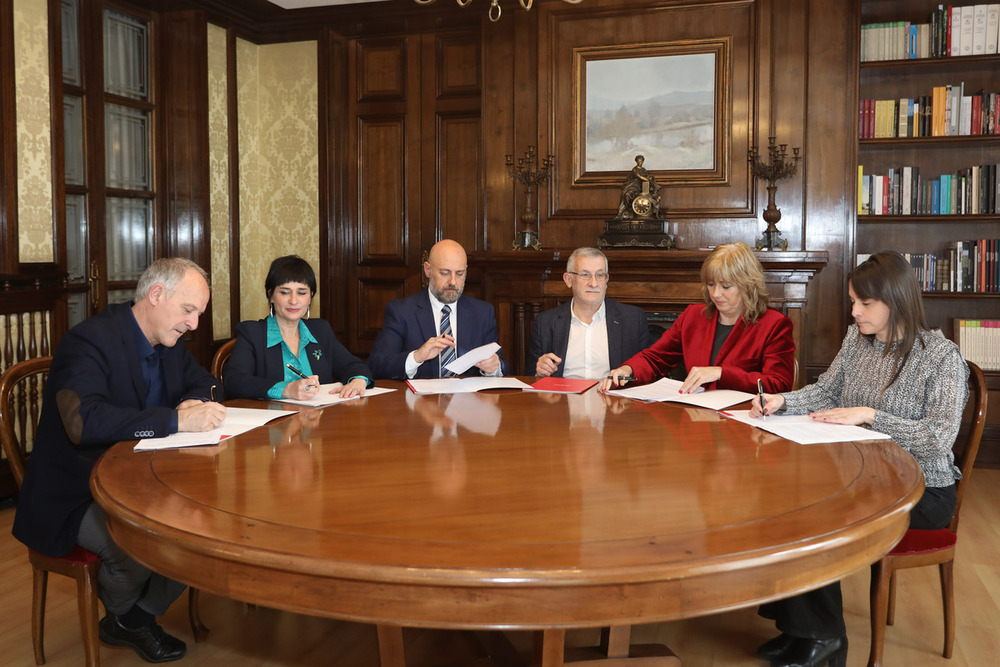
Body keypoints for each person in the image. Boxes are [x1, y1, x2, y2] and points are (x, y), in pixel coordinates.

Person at [749, 250, 968, 667]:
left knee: (820, 514)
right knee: (785, 500)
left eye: (865, 304)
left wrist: (871, 416)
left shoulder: (941, 358)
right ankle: (798, 629)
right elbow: (827, 393)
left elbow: (939, 439)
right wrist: (780, 401)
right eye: (853, 302)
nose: (854, 312)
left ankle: (825, 639)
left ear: (897, 300)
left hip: (922, 489)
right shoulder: (858, 341)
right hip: (862, 474)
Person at [12, 257, 225, 663]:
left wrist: (194, 400)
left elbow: (208, 381)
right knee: (137, 545)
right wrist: (175, 419)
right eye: (189, 310)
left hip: (145, 480)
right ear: (156, 294)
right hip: (74, 492)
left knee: (203, 534)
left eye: (199, 313)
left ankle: (129, 620)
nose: (194, 325)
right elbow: (83, 421)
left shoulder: (168, 341)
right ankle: (131, 617)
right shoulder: (89, 341)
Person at [600, 242, 795, 395]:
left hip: (744, 424)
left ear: (748, 286)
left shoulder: (774, 325)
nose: (716, 294)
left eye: (726, 286)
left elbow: (778, 384)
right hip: (697, 418)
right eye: (711, 284)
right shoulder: (693, 317)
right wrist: (628, 369)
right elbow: (656, 358)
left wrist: (721, 373)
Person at [225, 255, 372, 401]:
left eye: (302, 293)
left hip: (319, 419)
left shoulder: (320, 330)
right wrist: (287, 390)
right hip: (274, 421)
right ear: (271, 295)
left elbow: (353, 365)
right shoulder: (252, 333)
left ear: (310, 297)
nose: (293, 301)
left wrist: (358, 380)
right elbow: (234, 381)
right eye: (284, 292)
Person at [367, 239, 507, 379]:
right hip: (419, 400)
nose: (453, 282)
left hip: (468, 399)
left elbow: (502, 366)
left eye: (459, 274)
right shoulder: (401, 312)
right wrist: (416, 357)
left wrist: (494, 367)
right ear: (428, 270)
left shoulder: (482, 313)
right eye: (445, 273)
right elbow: (377, 366)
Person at [529, 247, 652, 379]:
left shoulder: (633, 319)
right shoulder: (546, 322)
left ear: (606, 280)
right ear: (568, 279)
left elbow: (647, 370)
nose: (593, 283)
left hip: (612, 397)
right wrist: (539, 372)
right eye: (585, 274)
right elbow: (530, 376)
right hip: (562, 398)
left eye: (600, 275)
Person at [617, 154, 661, 220]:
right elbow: (639, 176)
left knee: (649, 194)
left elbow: (647, 177)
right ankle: (628, 209)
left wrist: (649, 179)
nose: (640, 163)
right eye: (639, 161)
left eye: (641, 161)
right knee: (627, 194)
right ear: (636, 161)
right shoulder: (635, 169)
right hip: (633, 185)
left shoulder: (644, 170)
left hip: (642, 186)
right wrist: (646, 179)